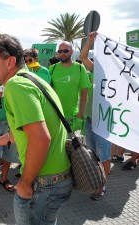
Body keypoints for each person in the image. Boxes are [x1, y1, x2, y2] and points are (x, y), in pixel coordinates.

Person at [0, 34, 72, 225]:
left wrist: (25, 183)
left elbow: (41, 139)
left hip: (44, 183)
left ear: (9, 62)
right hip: (55, 179)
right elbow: (28, 132)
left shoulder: (16, 85)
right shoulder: (31, 79)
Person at [79, 31, 111, 200]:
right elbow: (83, 57)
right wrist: (90, 41)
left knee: (104, 155)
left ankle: (101, 186)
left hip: (105, 122)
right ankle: (94, 180)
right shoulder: (96, 69)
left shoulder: (117, 77)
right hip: (91, 120)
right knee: (92, 154)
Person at [49, 41, 91, 131]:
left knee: (70, 144)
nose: (62, 54)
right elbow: (47, 90)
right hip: (54, 115)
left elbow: (84, 93)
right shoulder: (53, 68)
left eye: (65, 51)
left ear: (71, 52)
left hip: (71, 117)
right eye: (60, 51)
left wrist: (80, 114)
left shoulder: (80, 68)